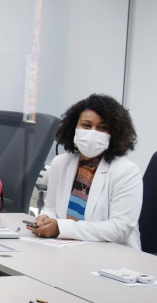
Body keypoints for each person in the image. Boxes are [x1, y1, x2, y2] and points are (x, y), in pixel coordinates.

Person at [28, 94, 142, 248]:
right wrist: (45, 218)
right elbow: (52, 207)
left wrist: (60, 228)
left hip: (113, 257)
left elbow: (119, 228)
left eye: (102, 128)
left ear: (114, 134)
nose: (93, 132)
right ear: (74, 127)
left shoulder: (127, 171)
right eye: (86, 125)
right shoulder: (60, 163)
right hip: (68, 250)